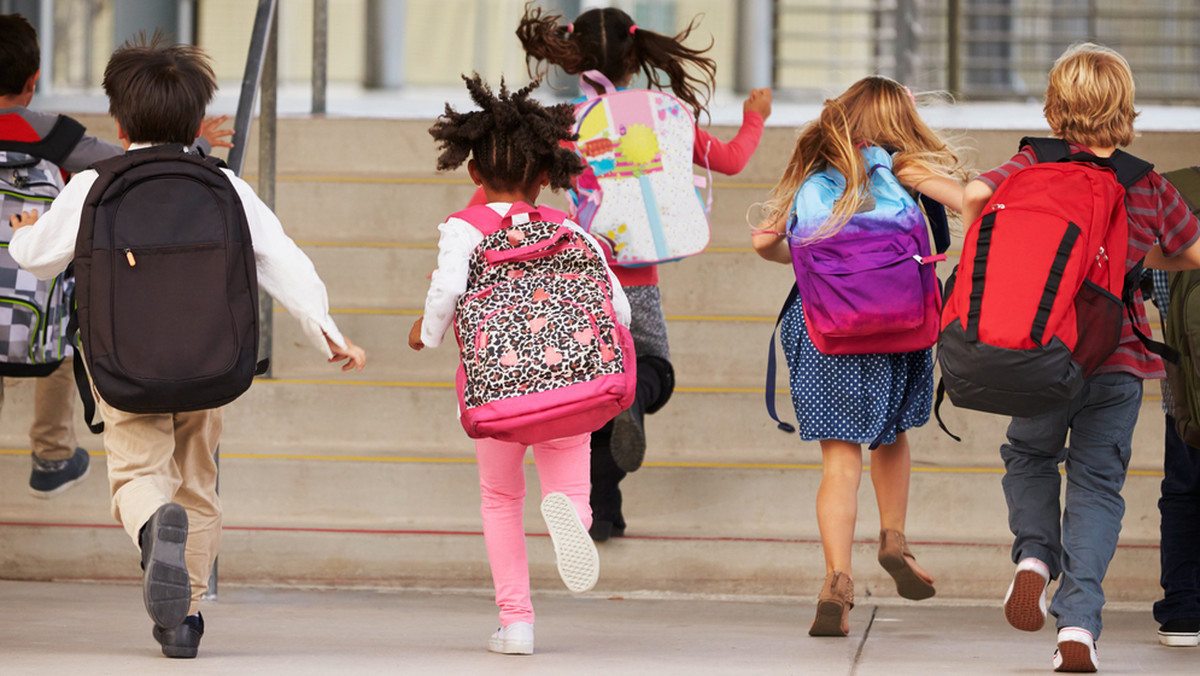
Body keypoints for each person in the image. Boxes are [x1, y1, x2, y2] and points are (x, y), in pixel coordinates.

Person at [7, 35, 364, 658]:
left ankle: (151, 525)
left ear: (118, 123)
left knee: (139, 473)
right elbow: (283, 259)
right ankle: (184, 619)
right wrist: (326, 329)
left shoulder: (94, 183)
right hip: (206, 362)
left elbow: (38, 263)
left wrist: (23, 234)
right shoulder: (224, 184)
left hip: (123, 364)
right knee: (198, 482)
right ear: (200, 122)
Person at [962, 43, 1200, 673]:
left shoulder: (1029, 162)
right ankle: (1077, 628)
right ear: (1123, 106)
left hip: (1040, 354)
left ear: (1056, 102)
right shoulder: (1144, 183)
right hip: (1116, 361)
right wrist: (1142, 258)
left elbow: (971, 197)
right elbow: (1193, 253)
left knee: (1030, 455)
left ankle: (1035, 557)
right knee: (1097, 487)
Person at [516, 2, 772, 540]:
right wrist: (755, 118)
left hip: (581, 277)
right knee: (653, 368)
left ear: (573, 58)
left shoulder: (566, 124)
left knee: (591, 392)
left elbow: (521, 182)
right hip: (640, 281)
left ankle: (602, 513)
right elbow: (729, 160)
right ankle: (638, 396)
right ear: (635, 58)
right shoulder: (664, 112)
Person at [408, 73, 631, 656]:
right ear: (544, 175)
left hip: (499, 390)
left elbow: (448, 289)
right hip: (571, 387)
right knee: (568, 483)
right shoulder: (570, 229)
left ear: (474, 173)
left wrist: (426, 335)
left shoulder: (465, 226)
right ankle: (574, 518)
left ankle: (517, 623)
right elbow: (620, 310)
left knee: (500, 498)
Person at [751, 76, 966, 637]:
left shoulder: (814, 169)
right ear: (900, 122)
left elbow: (764, 242)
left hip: (827, 329)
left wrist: (809, 258)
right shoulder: (906, 169)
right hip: (900, 324)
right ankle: (894, 540)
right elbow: (967, 205)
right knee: (891, 435)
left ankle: (836, 581)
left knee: (839, 462)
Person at [0, 14, 231, 499]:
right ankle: (52, 454)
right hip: (36, 301)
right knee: (65, 320)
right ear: (33, 79)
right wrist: (201, 144)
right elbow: (138, 163)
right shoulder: (52, 134)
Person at [1146, 268, 1200, 648]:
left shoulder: (1173, 207)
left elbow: (1161, 298)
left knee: (1184, 492)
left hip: (1187, 391)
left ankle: (1182, 611)